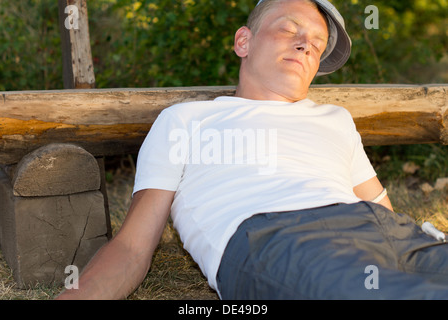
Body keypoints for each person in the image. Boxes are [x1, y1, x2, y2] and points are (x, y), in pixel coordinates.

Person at [56, 0, 448, 300]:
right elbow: (132, 248)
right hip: (280, 239)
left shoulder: (335, 118)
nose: (304, 45)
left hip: (390, 234)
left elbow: (383, 213)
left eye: (317, 43)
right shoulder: (186, 121)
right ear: (244, 41)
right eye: (289, 29)